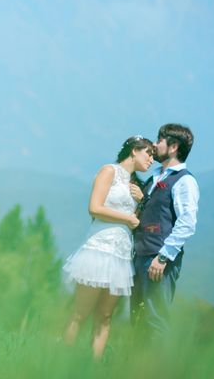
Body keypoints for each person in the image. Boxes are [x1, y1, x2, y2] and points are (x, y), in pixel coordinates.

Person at [63, 135, 154, 359]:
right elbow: (94, 207)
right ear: (134, 150)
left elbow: (137, 220)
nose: (152, 160)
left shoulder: (136, 185)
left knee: (105, 316)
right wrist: (126, 218)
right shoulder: (109, 171)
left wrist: (142, 201)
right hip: (98, 249)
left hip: (121, 255)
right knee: (80, 312)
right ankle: (61, 361)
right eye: (148, 153)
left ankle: (93, 367)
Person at [130, 123, 200, 338]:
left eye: (159, 140)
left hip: (158, 260)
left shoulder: (184, 181)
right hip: (140, 254)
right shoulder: (154, 178)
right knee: (137, 319)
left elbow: (187, 222)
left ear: (173, 147)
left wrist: (163, 257)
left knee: (155, 319)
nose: (155, 144)